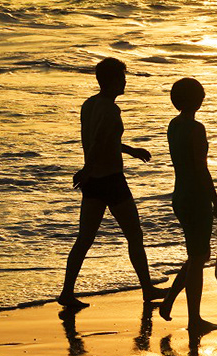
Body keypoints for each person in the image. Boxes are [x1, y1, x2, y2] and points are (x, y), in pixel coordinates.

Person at [58, 57, 167, 310]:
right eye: (122, 77)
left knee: (84, 239)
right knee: (134, 235)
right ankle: (147, 288)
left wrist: (130, 151)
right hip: (111, 181)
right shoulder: (110, 108)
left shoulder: (89, 105)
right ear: (112, 80)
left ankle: (66, 292)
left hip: (94, 182)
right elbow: (97, 142)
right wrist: (87, 169)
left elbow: (104, 141)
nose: (125, 81)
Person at [159, 78, 217, 334]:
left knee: (197, 255)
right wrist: (215, 201)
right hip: (196, 197)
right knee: (198, 257)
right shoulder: (196, 128)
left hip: (180, 195)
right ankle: (194, 320)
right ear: (196, 99)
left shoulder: (173, 126)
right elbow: (201, 169)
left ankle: (169, 301)